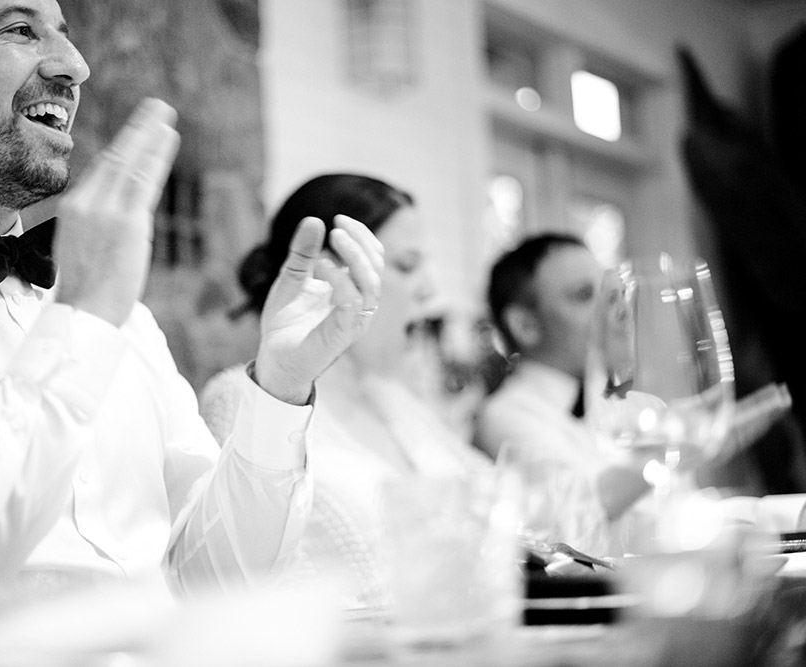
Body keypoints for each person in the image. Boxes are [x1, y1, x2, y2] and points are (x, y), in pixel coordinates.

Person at [0, 0, 385, 604]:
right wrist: (82, 320)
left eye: (66, 35)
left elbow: (221, 581)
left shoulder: (121, 317)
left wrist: (280, 388)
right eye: (20, 30)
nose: (76, 67)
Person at [199, 173, 493, 607]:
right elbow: (234, 582)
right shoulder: (244, 398)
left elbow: (509, 507)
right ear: (335, 273)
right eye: (407, 266)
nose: (430, 290)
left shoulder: (396, 401)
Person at [472, 232, 651, 554]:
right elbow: (575, 526)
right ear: (525, 325)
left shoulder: (615, 407)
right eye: (584, 296)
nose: (617, 310)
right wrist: (679, 446)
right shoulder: (503, 418)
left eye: (612, 294)